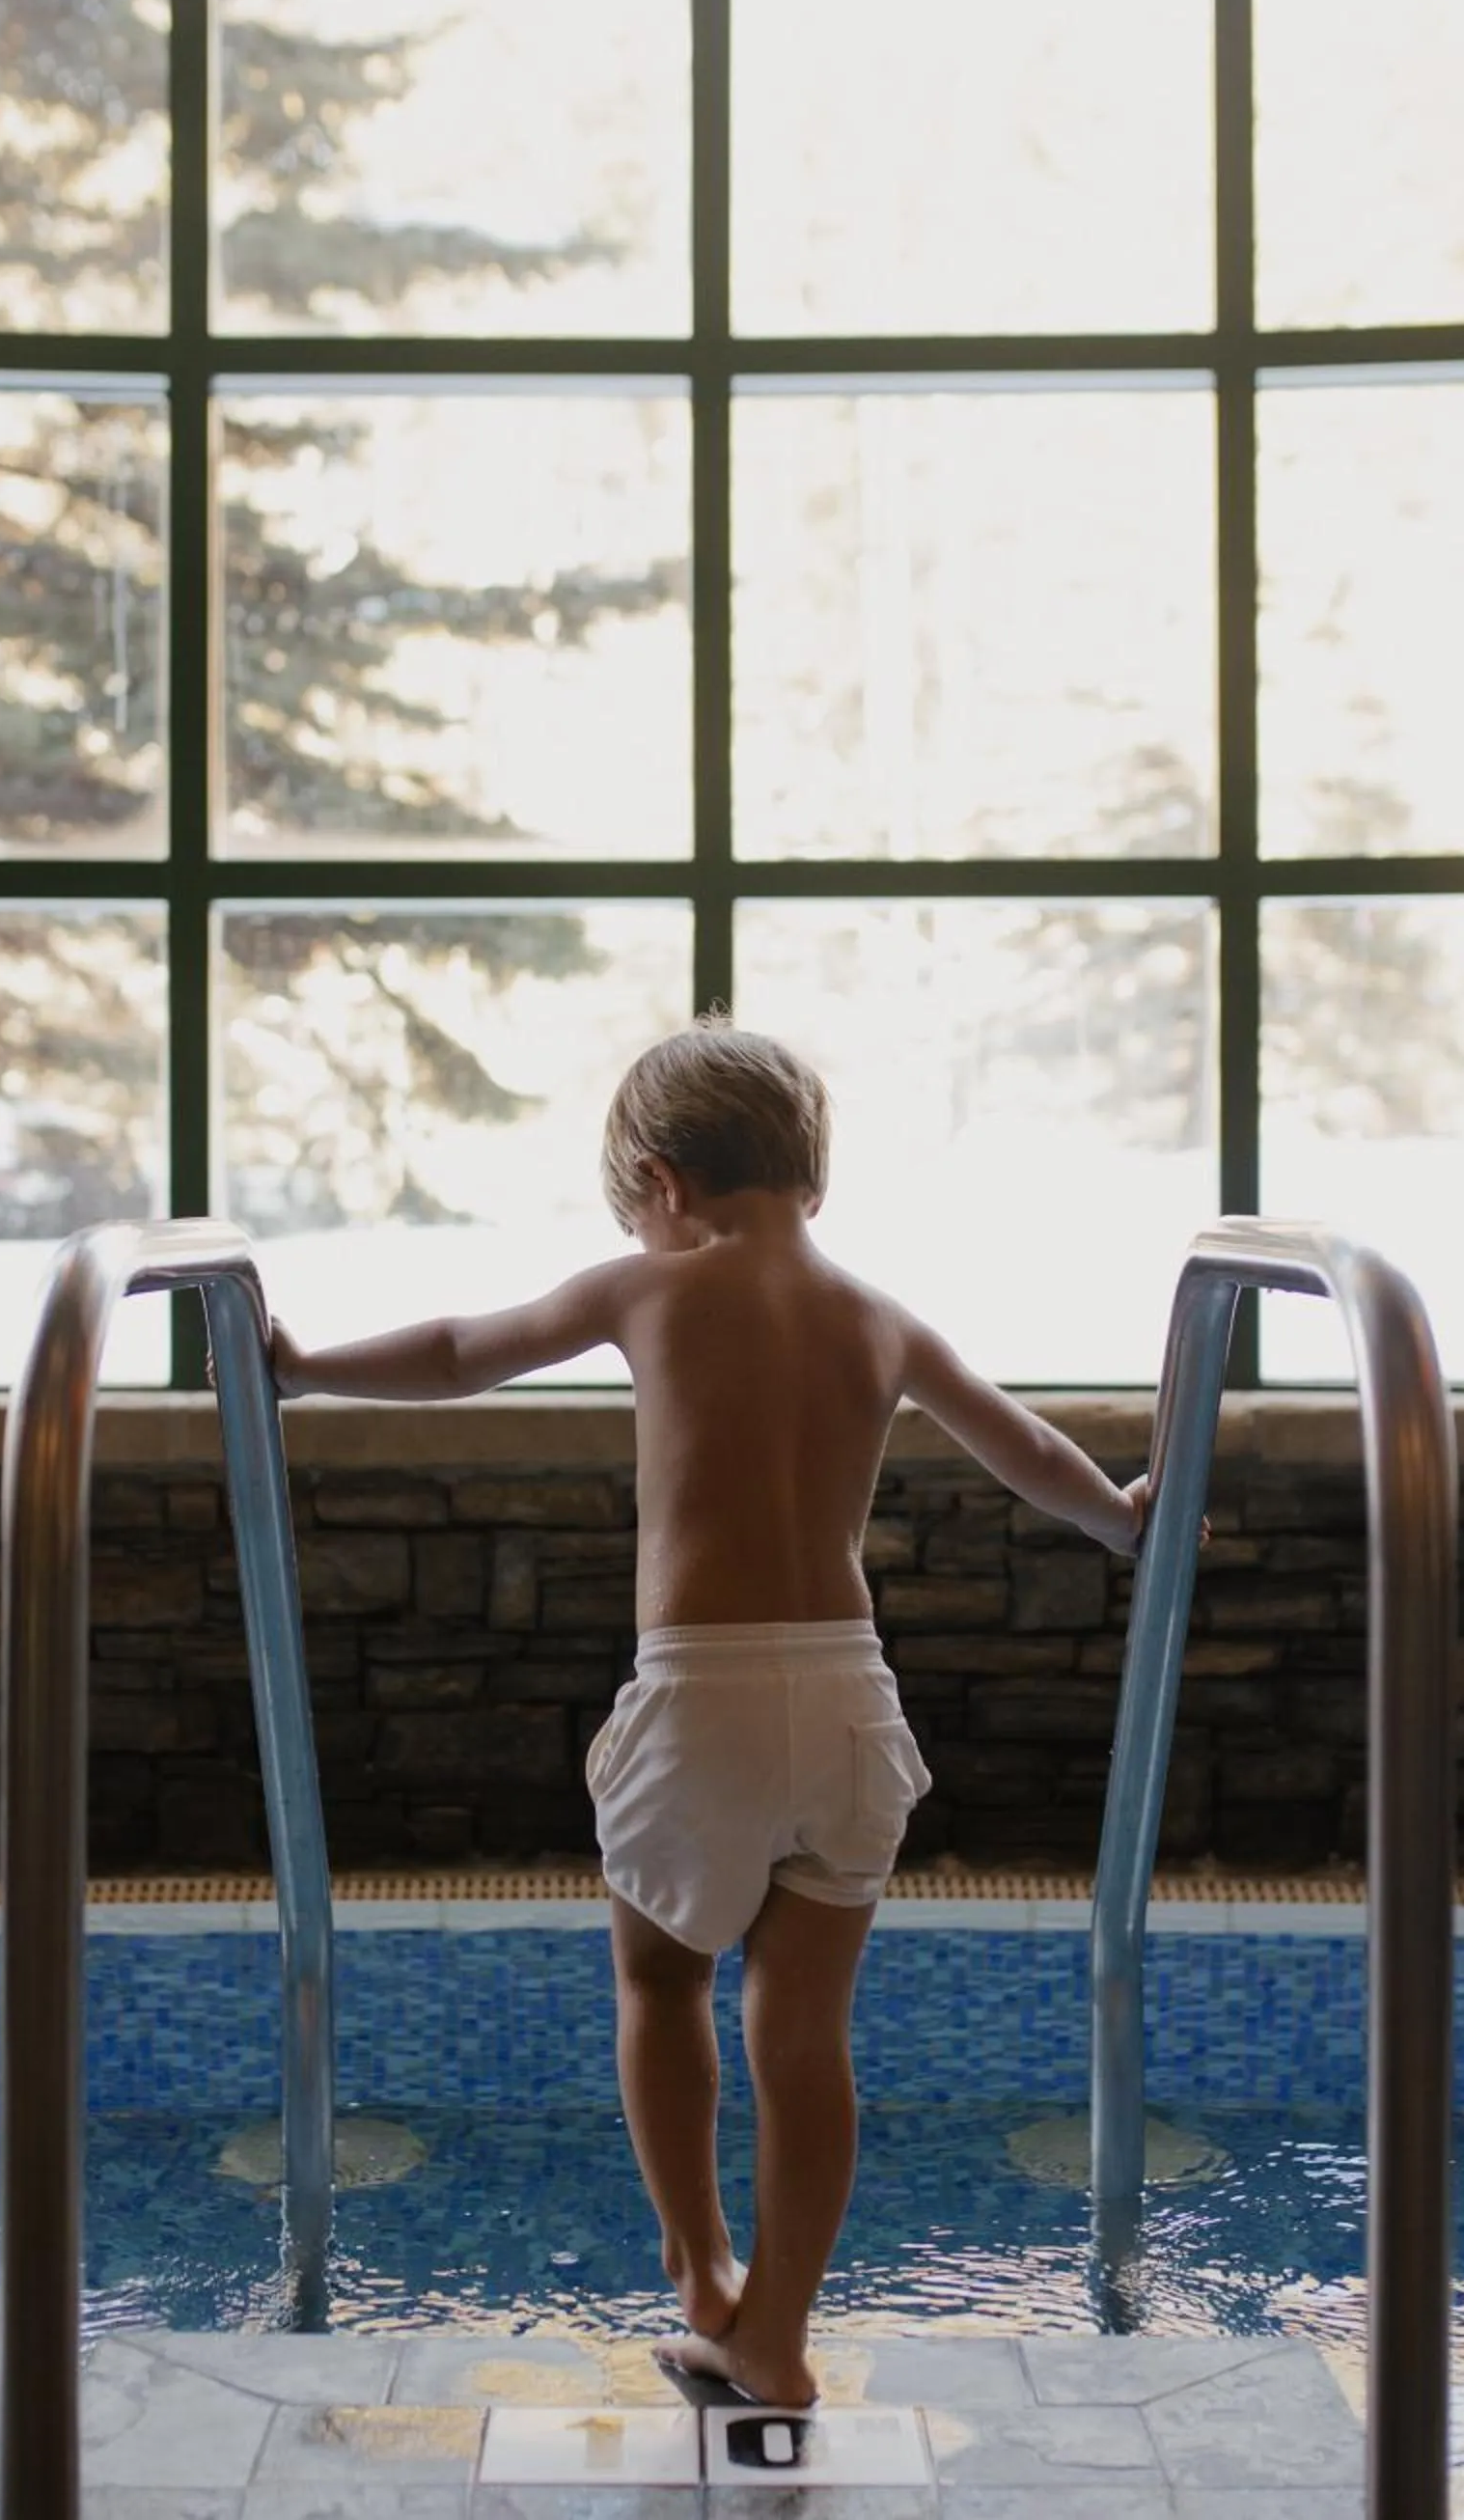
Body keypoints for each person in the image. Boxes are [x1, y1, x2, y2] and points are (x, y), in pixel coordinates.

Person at [262, 1019, 1151, 2408]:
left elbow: (456, 1348)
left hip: (705, 1698)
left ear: (663, 1185)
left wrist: (304, 1365)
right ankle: (778, 2337)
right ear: (811, 1173)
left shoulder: (650, 1290)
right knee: (806, 2040)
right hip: (850, 1703)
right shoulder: (879, 1314)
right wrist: (1123, 1516)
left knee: (664, 1982)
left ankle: (700, 2268)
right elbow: (1024, 1447)